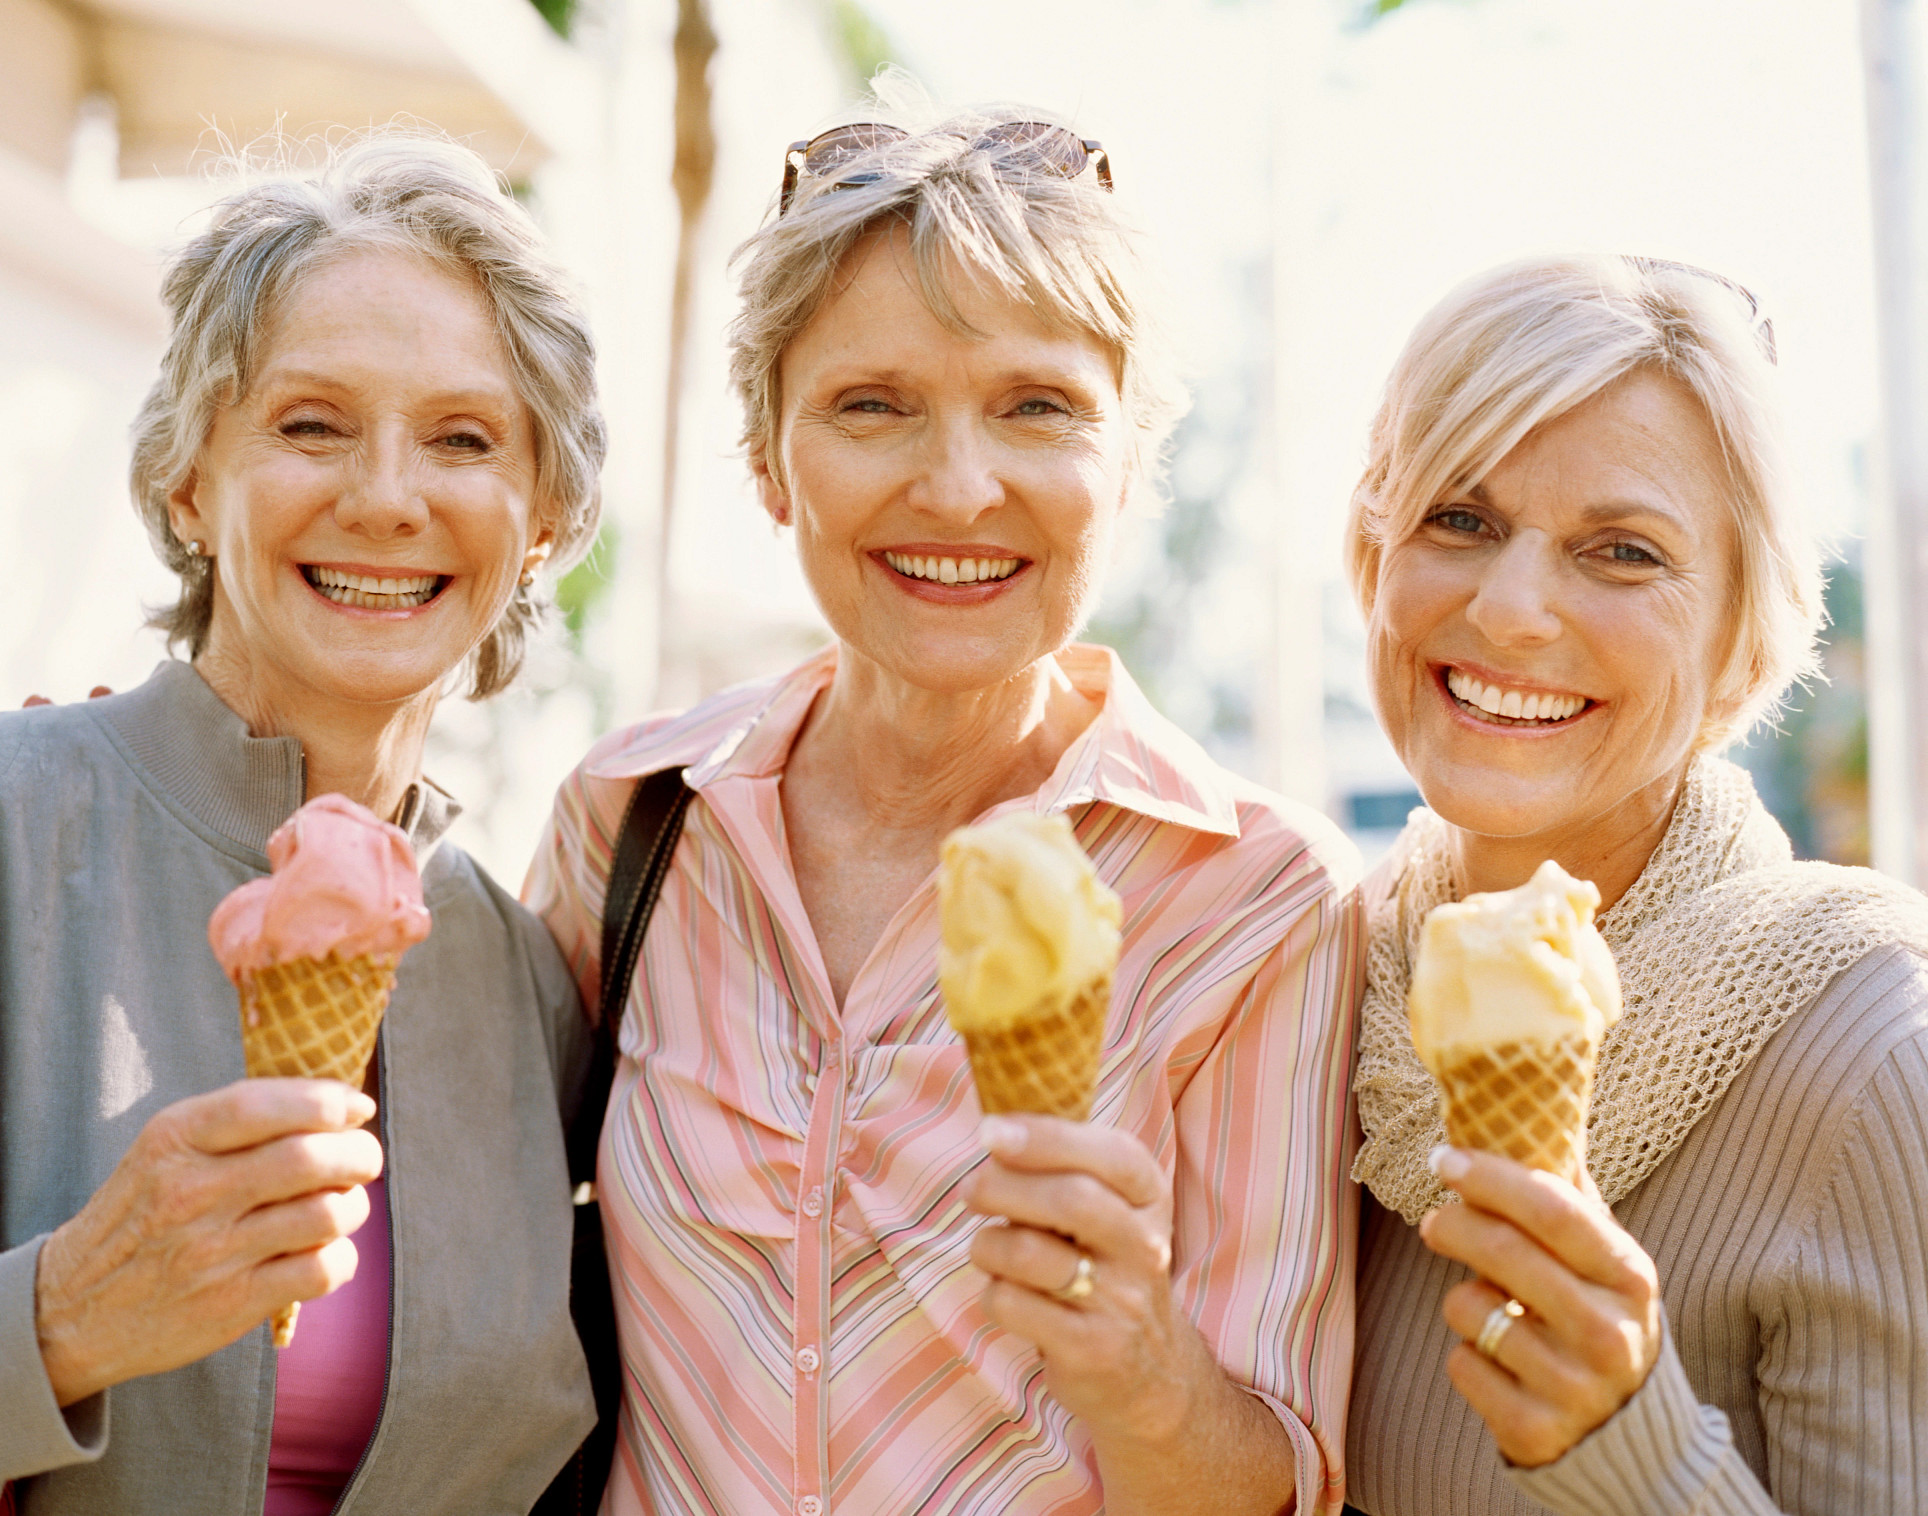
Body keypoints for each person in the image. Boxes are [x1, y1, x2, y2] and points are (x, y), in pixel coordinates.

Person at [526, 109, 1366, 1516]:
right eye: (873, 405)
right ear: (768, 459)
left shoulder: (1259, 898)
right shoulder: (631, 820)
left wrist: (1142, 1374)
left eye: (1038, 407)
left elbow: (1278, 1478)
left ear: (1128, 463)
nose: (962, 488)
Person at [0, 133, 606, 1515]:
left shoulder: (531, 990)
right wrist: (59, 1317)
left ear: (544, 521)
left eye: (463, 438)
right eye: (311, 424)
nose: (385, 498)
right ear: (188, 482)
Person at [1339, 254, 1928, 1515]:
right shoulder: (1305, 983)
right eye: (1458, 519)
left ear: (1739, 641)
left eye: (1620, 552)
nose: (1510, 611)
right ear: (1372, 556)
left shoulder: (1874, 1046)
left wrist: (1633, 1448)